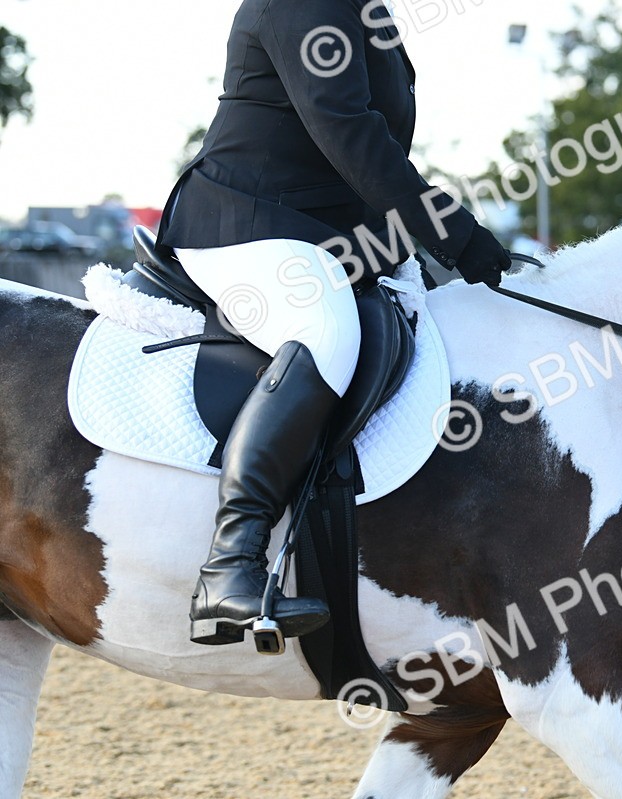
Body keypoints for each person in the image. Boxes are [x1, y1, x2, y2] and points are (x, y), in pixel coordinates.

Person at [157, 0, 512, 646]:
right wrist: (452, 230)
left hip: (321, 233)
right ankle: (230, 560)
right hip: (248, 222)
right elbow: (347, 129)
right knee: (327, 333)